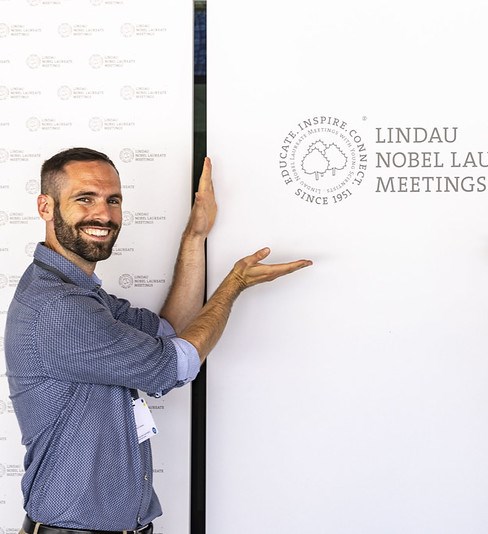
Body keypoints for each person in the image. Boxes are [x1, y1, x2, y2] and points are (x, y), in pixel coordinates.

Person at [4, 147, 312, 534]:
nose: (103, 214)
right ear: (45, 207)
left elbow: (169, 330)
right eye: (85, 198)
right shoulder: (60, 309)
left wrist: (195, 235)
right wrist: (234, 285)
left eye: (113, 200)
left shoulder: (79, 293)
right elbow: (175, 365)